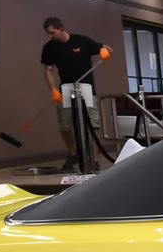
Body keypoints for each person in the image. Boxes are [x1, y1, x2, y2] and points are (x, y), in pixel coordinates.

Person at [40, 17, 111, 171]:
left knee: (93, 125)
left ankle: (93, 159)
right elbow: (48, 70)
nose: (50, 36)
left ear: (61, 28)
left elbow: (107, 48)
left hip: (86, 87)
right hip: (65, 88)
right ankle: (73, 154)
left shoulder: (81, 41)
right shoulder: (49, 48)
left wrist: (104, 51)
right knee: (65, 125)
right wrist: (53, 89)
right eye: (48, 33)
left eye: (52, 32)